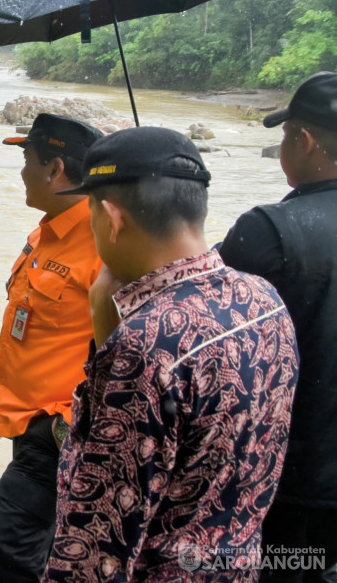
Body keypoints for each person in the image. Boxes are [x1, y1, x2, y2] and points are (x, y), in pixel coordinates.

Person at [42, 127, 299, 581]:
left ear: (113, 219)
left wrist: (115, 347)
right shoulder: (263, 300)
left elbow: (97, 537)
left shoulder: (146, 345)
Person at [0, 114, 104, 582]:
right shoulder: (44, 234)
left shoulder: (106, 242)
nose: (22, 171)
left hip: (59, 430)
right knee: (41, 552)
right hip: (27, 423)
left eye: (28, 160)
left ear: (56, 169)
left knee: (5, 550)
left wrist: (66, 421)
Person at [218, 71, 337, 581]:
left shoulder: (268, 232)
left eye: (286, 135)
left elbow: (208, 339)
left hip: (289, 482)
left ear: (304, 140)